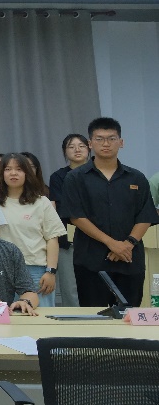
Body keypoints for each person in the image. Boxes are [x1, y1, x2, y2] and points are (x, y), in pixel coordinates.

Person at [61, 117, 158, 308]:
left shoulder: (136, 177)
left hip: (129, 258)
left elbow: (145, 215)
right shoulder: (75, 178)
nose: (106, 144)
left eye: (111, 138)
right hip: (90, 260)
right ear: (90, 143)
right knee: (94, 316)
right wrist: (112, 243)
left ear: (121, 142)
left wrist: (127, 244)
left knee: (128, 316)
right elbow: (76, 216)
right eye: (99, 139)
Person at [0, 153, 65, 309]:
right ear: (1, 173)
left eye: (19, 169)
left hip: (36, 270)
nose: (13, 173)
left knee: (40, 318)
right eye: (8, 169)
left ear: (27, 173)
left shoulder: (42, 202)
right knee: (5, 317)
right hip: (2, 271)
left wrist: (51, 271)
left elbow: (52, 238)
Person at [48, 133, 90, 307]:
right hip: (68, 236)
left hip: (99, 237)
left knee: (96, 284)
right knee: (70, 286)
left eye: (81, 146)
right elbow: (60, 206)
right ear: (65, 151)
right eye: (71, 147)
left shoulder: (99, 174)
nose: (77, 150)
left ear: (89, 148)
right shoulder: (58, 177)